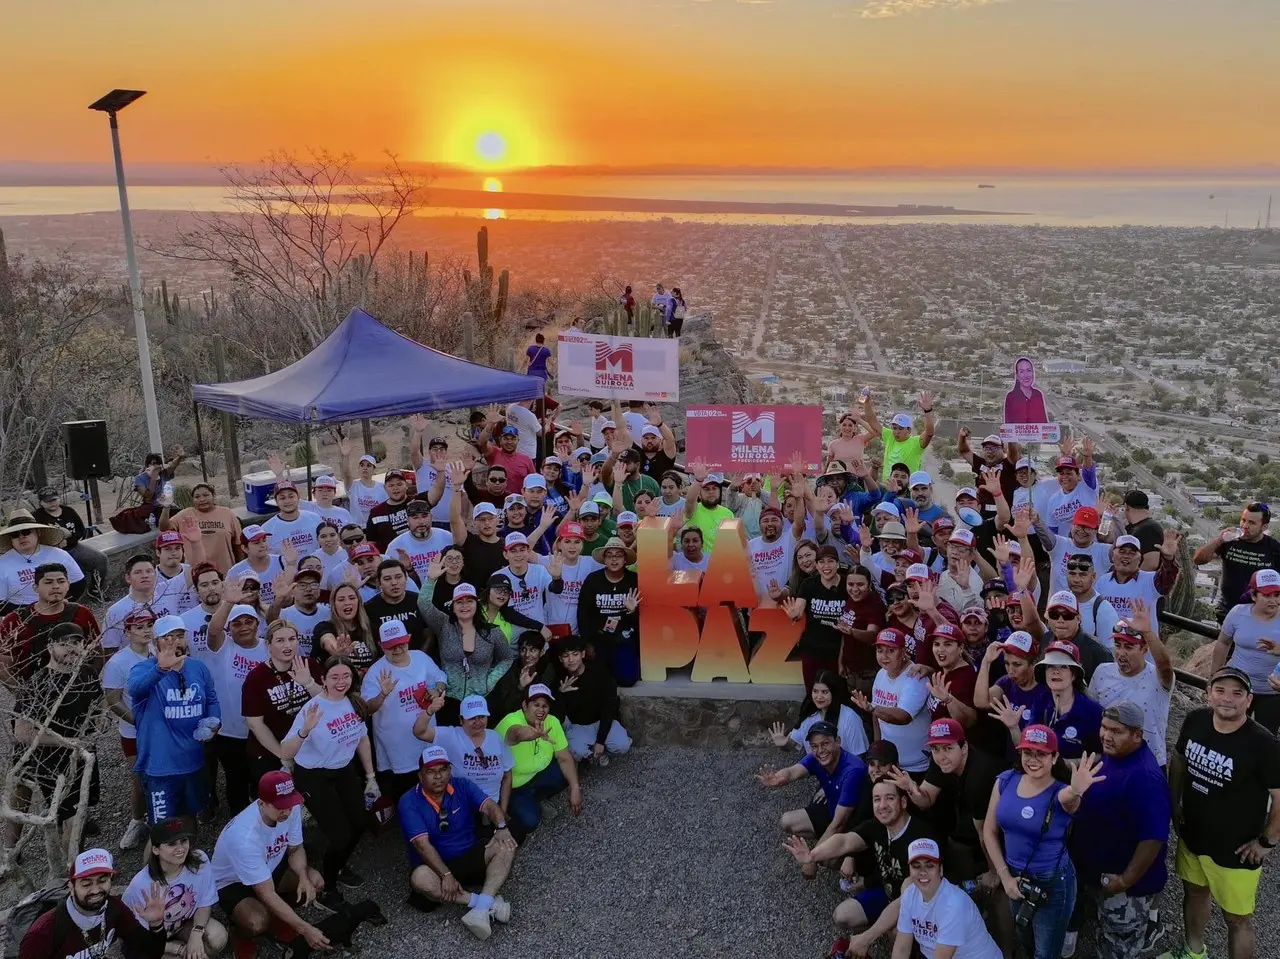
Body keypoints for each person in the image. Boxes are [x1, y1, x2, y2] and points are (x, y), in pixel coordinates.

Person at [1161, 665, 1280, 959]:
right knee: (1195, 893)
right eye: (1221, 690)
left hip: (1236, 850)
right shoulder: (1195, 721)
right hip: (1193, 836)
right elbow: (1178, 760)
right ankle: (1193, 952)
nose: (1228, 698)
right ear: (1208, 694)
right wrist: (1174, 803)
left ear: (1249, 700)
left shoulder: (1263, 744)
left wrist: (1266, 842)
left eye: (1237, 693)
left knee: (1237, 919)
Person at [981, 725, 1106, 959]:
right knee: (1024, 940)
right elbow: (989, 830)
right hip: (1015, 878)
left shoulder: (1059, 791)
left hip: (1053, 882)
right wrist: (1005, 876)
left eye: (1042, 753)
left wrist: (1077, 789)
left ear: (1055, 756)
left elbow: (1068, 800)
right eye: (1028, 752)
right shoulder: (1006, 781)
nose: (1033, 759)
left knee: (1046, 952)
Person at [784, 779, 935, 957]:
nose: (882, 805)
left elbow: (909, 897)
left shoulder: (920, 841)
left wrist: (867, 938)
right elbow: (844, 842)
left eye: (889, 798)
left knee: (895, 931)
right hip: (888, 894)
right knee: (843, 915)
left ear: (903, 802)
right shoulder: (877, 826)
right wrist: (812, 856)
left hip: (921, 904)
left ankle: (907, 946)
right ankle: (877, 936)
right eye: (877, 799)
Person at [1071, 702, 1171, 959]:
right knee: (1103, 936)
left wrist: (1125, 880)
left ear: (1137, 735)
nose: (1106, 735)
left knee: (1119, 949)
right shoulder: (1114, 756)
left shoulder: (1145, 777)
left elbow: (1153, 838)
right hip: (1098, 874)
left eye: (1116, 731)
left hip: (1126, 889)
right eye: (1104, 728)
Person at [279, 656, 378, 905]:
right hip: (312, 774)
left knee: (360, 823)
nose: (341, 682)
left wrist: (371, 777)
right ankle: (329, 885)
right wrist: (304, 731)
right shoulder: (313, 708)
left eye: (346, 676)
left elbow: (362, 739)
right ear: (323, 679)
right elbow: (285, 752)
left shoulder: (354, 703)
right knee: (340, 835)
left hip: (342, 769)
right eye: (334, 677)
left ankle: (338, 865)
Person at [397, 744, 517, 939]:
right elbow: (422, 844)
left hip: (469, 852)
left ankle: (481, 909)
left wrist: (501, 827)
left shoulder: (462, 784)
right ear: (420, 775)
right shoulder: (408, 801)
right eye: (431, 771)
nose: (438, 776)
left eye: (443, 769)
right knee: (419, 879)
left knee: (506, 844)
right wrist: (445, 875)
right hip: (436, 866)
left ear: (450, 771)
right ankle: (484, 903)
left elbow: (489, 806)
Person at [210, 771, 328, 954]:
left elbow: (295, 849)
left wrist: (303, 877)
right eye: (280, 807)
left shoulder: (291, 808)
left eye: (289, 805)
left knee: (315, 882)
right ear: (261, 803)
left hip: (269, 866)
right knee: (256, 922)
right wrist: (305, 929)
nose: (287, 811)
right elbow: (266, 892)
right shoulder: (244, 837)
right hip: (233, 882)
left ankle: (279, 915)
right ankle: (240, 930)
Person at [10, 622, 101, 850]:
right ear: (50, 647)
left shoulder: (87, 673)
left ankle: (74, 868)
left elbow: (98, 706)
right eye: (64, 644)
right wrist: (69, 743)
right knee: (67, 817)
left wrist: (99, 724)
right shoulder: (38, 684)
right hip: (49, 760)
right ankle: (66, 874)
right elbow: (22, 733)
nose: (72, 648)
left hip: (82, 756)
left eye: (77, 642)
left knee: (79, 812)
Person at [19, 848, 167, 959]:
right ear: (71, 887)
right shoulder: (42, 933)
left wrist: (157, 924)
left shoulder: (114, 909)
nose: (95, 890)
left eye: (102, 881)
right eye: (86, 884)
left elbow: (151, 952)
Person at [362, 619, 448, 800]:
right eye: (391, 646)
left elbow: (440, 677)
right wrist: (383, 695)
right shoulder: (376, 672)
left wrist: (437, 689)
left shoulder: (421, 658)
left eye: (401, 644)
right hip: (398, 747)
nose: (398, 650)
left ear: (408, 639)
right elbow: (367, 708)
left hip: (426, 738)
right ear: (381, 646)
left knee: (434, 785)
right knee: (407, 792)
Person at [123, 818, 227, 959]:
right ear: (156, 849)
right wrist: (178, 949)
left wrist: (196, 933)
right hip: (149, 939)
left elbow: (204, 902)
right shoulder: (141, 884)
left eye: (184, 841)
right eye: (171, 844)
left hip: (182, 925)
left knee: (218, 936)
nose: (181, 848)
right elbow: (135, 936)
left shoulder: (200, 861)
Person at [758, 720, 867, 854]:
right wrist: (778, 778)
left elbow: (839, 823)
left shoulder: (852, 770)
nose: (820, 750)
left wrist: (811, 858)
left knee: (825, 861)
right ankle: (827, 842)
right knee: (787, 821)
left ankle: (844, 856)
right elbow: (793, 771)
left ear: (838, 741)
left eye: (825, 744)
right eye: (814, 746)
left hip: (852, 825)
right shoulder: (816, 758)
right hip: (832, 813)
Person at [1088, 599, 1174, 765]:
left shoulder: (1158, 677)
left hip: (1149, 763)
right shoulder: (1102, 672)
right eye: (1117, 645)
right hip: (1109, 760)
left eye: (1128, 647)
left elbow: (1165, 667)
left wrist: (1148, 633)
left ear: (1144, 649)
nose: (1121, 653)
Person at [891, 838, 1004, 959]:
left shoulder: (954, 904)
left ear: (940, 870)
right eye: (916, 866)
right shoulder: (909, 894)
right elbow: (901, 949)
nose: (922, 872)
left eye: (929, 866)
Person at [102, 609, 159, 850]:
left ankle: (162, 820)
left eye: (149, 624)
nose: (146, 630)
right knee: (139, 778)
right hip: (135, 731)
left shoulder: (159, 651)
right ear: (127, 632)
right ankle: (137, 821)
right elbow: (113, 699)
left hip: (163, 728)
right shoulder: (118, 661)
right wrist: (138, 721)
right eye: (139, 626)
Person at [419, 576, 515, 716]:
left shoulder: (492, 632)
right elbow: (423, 604)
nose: (465, 606)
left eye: (469, 601)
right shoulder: (444, 625)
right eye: (459, 602)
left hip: (481, 700)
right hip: (448, 700)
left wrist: (490, 681)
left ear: (477, 604)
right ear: (453, 606)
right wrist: (431, 579)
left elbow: (507, 657)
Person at [205, 596, 268, 807]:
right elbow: (213, 631)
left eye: (248, 621)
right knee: (236, 781)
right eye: (236, 623)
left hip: (262, 731)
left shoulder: (268, 647)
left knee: (262, 780)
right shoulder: (224, 647)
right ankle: (239, 826)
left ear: (257, 624)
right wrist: (228, 601)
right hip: (230, 733)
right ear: (228, 628)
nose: (243, 627)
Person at [496, 683, 583, 834]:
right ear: (524, 705)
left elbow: (564, 758)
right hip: (514, 786)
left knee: (567, 772)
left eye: (545, 706)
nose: (541, 710)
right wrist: (528, 734)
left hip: (537, 775)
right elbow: (514, 733)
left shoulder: (552, 722)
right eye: (536, 705)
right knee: (530, 821)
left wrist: (575, 788)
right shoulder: (511, 721)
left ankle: (535, 798)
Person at [241, 620, 317, 789]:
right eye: (280, 640)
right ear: (268, 645)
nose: (287, 645)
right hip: (270, 751)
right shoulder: (256, 677)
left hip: (306, 745)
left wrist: (309, 683)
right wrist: (283, 755)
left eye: (292, 639)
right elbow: (255, 723)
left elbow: (327, 702)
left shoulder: (308, 665)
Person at [0, 563, 100, 689]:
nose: (56, 586)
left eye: (61, 581)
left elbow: (97, 651)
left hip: (77, 687)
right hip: (35, 692)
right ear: (35, 587)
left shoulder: (82, 613)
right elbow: (3, 666)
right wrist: (25, 696)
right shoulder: (15, 620)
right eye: (48, 582)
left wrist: (88, 683)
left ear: (68, 585)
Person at [415, 695, 514, 819]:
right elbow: (420, 732)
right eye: (472, 718)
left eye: (482, 717)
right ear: (461, 720)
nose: (478, 722)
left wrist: (502, 811)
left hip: (491, 804)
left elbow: (507, 775)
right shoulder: (452, 736)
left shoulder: (496, 738)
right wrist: (430, 711)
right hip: (461, 803)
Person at [1210, 567, 1280, 734]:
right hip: (1237, 687)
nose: (1273, 601)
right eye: (1266, 595)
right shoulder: (1237, 613)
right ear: (1254, 596)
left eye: (1277, 595)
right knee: (1228, 729)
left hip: (1272, 691)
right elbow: (1223, 643)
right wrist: (1214, 678)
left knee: (1266, 736)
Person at [853, 628, 931, 774]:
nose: (884, 656)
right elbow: (877, 717)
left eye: (891, 650)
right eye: (880, 650)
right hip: (888, 762)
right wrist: (877, 747)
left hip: (916, 765)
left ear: (903, 651)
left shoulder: (915, 677)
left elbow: (903, 716)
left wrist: (872, 708)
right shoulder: (881, 673)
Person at [1193, 502, 1280, 623]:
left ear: (1264, 527)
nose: (1245, 526)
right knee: (1223, 642)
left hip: (1258, 615)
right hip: (1227, 611)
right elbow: (1198, 560)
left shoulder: (1274, 548)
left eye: (1252, 523)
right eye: (1243, 520)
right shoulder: (1230, 541)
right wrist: (1219, 539)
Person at [554, 634, 632, 761]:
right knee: (576, 753)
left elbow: (609, 706)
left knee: (622, 746)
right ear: (560, 659)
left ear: (583, 654)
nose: (571, 659)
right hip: (577, 726)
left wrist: (601, 741)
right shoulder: (559, 680)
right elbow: (558, 717)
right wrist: (561, 695)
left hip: (600, 721)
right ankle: (591, 755)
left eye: (575, 654)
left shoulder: (599, 673)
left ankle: (601, 748)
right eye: (566, 656)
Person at [782, 544, 848, 687]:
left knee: (836, 693)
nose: (826, 566)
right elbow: (799, 606)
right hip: (812, 648)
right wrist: (795, 613)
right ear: (817, 565)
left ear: (837, 564)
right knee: (813, 693)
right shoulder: (808, 584)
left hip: (838, 650)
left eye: (830, 561)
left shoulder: (847, 584)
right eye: (821, 562)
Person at [578, 538, 641, 687]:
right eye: (609, 555)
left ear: (625, 559)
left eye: (618, 555)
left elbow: (642, 618)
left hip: (624, 639)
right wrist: (588, 643)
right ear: (604, 559)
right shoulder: (593, 580)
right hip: (599, 639)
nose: (614, 559)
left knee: (627, 680)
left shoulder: (634, 580)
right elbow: (583, 614)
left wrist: (632, 611)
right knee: (598, 681)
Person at [0, 508, 85, 612]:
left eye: (26, 532)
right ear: (10, 539)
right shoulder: (2, 563)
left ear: (38, 533)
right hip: (22, 614)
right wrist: (31, 612)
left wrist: (62, 603)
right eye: (15, 535)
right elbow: (1, 604)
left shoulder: (58, 554)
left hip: (59, 608)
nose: (21, 537)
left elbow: (79, 583)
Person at [769, 670, 868, 758]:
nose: (819, 697)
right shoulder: (809, 716)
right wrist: (783, 744)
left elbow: (860, 756)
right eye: (815, 691)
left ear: (834, 693)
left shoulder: (850, 717)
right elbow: (791, 744)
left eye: (824, 692)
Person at [33, 487, 108, 599]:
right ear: (41, 503)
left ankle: (96, 589)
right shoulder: (36, 516)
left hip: (73, 546)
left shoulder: (68, 511)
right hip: (50, 552)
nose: (52, 503)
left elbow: (81, 530)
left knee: (100, 559)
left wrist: (68, 541)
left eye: (54, 500)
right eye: (48, 501)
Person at [1096, 529, 1181, 622]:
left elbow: (1168, 577)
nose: (1126, 556)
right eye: (1122, 551)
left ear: (1139, 558)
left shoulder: (1151, 581)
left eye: (1132, 553)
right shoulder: (1102, 581)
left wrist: (1168, 558)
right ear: (1113, 555)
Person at [161, 483, 243, 575]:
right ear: (192, 500)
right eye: (197, 497)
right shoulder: (185, 514)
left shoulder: (227, 513)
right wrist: (166, 506)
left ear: (213, 496)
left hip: (226, 572)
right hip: (195, 573)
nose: (202, 499)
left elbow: (238, 545)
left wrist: (240, 569)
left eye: (206, 495)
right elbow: (164, 528)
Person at [861, 390, 935, 482]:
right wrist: (867, 403)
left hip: (905, 490)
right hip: (888, 488)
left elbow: (929, 433)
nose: (896, 432)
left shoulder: (916, 443)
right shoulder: (890, 436)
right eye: (894, 428)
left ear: (908, 430)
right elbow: (873, 422)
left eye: (900, 429)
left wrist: (927, 411)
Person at [1039, 590, 1114, 681]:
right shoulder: (1045, 639)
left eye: (1067, 615)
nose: (1060, 620)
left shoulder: (1098, 651)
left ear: (1078, 618)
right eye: (1054, 615)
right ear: (1047, 618)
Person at [476, 413, 535, 495]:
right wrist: (490, 424)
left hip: (518, 503)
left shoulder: (526, 460)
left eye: (513, 439)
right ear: (500, 440)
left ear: (518, 440)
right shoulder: (493, 453)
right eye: (506, 439)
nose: (509, 442)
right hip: (498, 500)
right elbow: (481, 443)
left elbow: (533, 481)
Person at [261, 481, 319, 558]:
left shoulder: (315, 518)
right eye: (282, 498)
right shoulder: (267, 529)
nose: (287, 501)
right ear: (276, 501)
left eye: (291, 496)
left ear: (298, 497)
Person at [1003, 356, 1049, 425]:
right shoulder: (1011, 397)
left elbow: (1044, 424)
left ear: (1033, 373)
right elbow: (1008, 427)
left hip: (1037, 435)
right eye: (1022, 372)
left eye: (1029, 371)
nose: (1026, 375)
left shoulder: (1038, 395)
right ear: (1017, 376)